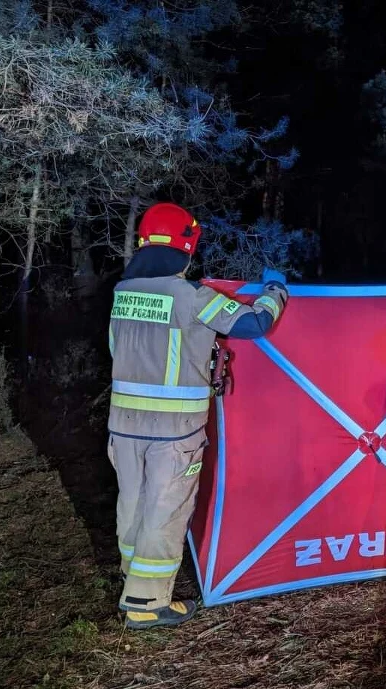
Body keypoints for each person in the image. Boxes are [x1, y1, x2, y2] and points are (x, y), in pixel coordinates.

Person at [107, 202, 289, 628]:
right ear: (186, 245)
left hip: (123, 426)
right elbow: (253, 324)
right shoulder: (190, 297)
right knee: (165, 510)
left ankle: (130, 578)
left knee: (131, 504)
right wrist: (275, 292)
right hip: (174, 432)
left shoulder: (121, 294)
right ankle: (146, 603)